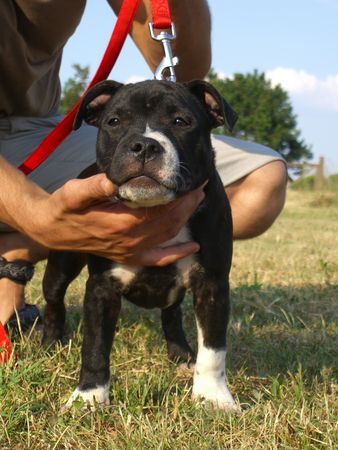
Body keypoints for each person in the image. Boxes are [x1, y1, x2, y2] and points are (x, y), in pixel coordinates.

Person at [0, 0, 287, 332]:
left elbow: (185, 68)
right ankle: (26, 239)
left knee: (260, 178)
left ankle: (16, 248)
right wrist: (34, 213)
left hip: (38, 129)